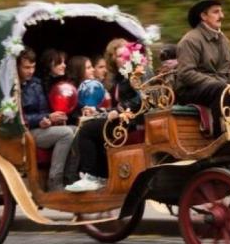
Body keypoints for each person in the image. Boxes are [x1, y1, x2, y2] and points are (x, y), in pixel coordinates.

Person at [65, 40, 144, 192]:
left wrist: (120, 111)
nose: (123, 58)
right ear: (113, 59)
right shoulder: (122, 76)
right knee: (95, 127)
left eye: (125, 55)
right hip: (126, 119)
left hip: (133, 122)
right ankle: (101, 176)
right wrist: (102, 112)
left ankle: (92, 175)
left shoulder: (136, 72)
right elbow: (122, 104)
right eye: (119, 56)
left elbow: (142, 98)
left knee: (87, 130)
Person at [174, 0, 230, 127]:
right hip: (190, 91)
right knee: (221, 89)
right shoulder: (190, 40)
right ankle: (219, 134)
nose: (222, 16)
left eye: (221, 11)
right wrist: (220, 84)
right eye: (216, 12)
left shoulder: (223, 39)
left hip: (218, 87)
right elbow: (186, 74)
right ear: (203, 16)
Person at [17, 48, 75, 191]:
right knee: (66, 134)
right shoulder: (14, 88)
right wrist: (42, 119)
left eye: (33, 67)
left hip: (40, 128)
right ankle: (55, 181)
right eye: (26, 67)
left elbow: (44, 111)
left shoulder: (35, 84)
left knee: (76, 129)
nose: (31, 71)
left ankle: (70, 178)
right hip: (27, 132)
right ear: (17, 67)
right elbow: (19, 118)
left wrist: (50, 119)